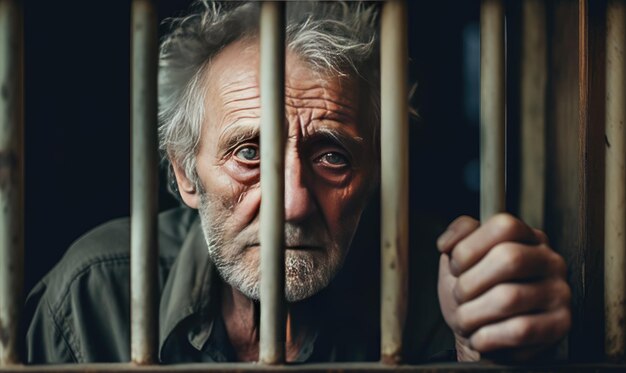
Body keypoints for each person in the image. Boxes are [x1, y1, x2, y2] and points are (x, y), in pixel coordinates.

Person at [24, 1, 571, 364]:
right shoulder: (93, 299)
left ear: (374, 174)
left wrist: (478, 349)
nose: (292, 203)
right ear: (184, 173)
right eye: (248, 153)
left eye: (332, 156)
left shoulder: (433, 296)